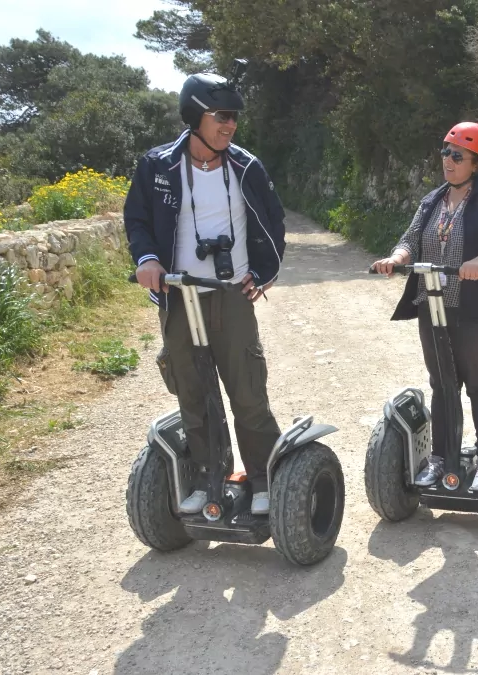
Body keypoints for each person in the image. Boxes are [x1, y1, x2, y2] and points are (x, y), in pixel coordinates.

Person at [123, 68, 287, 516]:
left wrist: (265, 270)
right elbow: (136, 220)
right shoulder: (157, 165)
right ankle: (207, 476)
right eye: (222, 115)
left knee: (247, 392)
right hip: (179, 296)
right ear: (194, 116)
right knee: (193, 394)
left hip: (232, 294)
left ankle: (262, 480)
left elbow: (273, 221)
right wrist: (147, 259)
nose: (230, 124)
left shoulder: (246, 166)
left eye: (234, 116)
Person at [370, 122, 478, 492]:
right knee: (442, 384)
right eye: (445, 152)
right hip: (433, 305)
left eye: (457, 156)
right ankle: (440, 458)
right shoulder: (433, 200)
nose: (447, 161)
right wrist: (396, 257)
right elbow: (411, 239)